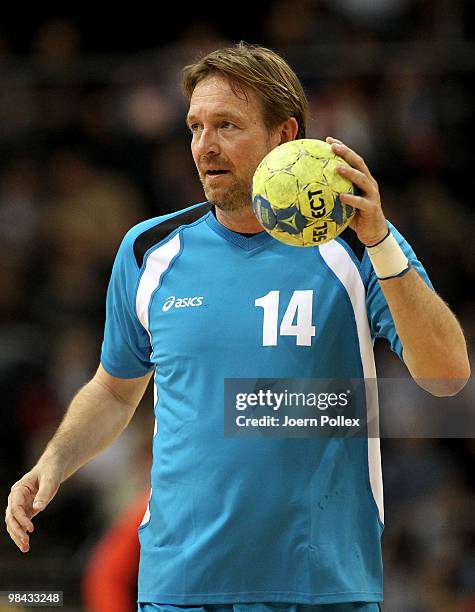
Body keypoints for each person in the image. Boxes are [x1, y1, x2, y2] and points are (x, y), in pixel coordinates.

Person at [5, 42, 470, 612]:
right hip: (179, 587)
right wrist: (51, 463)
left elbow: (448, 377)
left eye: (227, 125)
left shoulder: (356, 243)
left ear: (284, 135)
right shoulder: (149, 250)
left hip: (320, 587)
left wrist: (380, 242)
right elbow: (113, 388)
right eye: (195, 127)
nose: (204, 146)